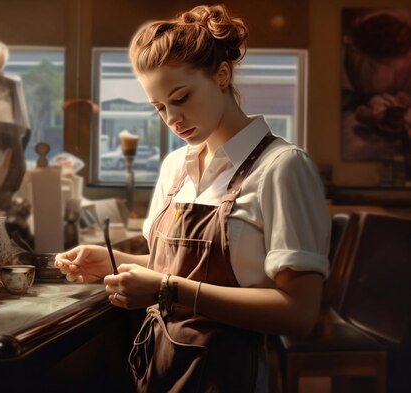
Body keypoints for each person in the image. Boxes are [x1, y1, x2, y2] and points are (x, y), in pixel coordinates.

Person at [55, 4, 330, 392]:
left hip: (228, 374)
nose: (172, 119)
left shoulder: (282, 167)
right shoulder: (174, 167)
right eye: (159, 108)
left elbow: (298, 314)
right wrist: (117, 262)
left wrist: (166, 289)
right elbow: (178, 266)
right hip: (159, 366)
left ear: (221, 75)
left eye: (181, 98)